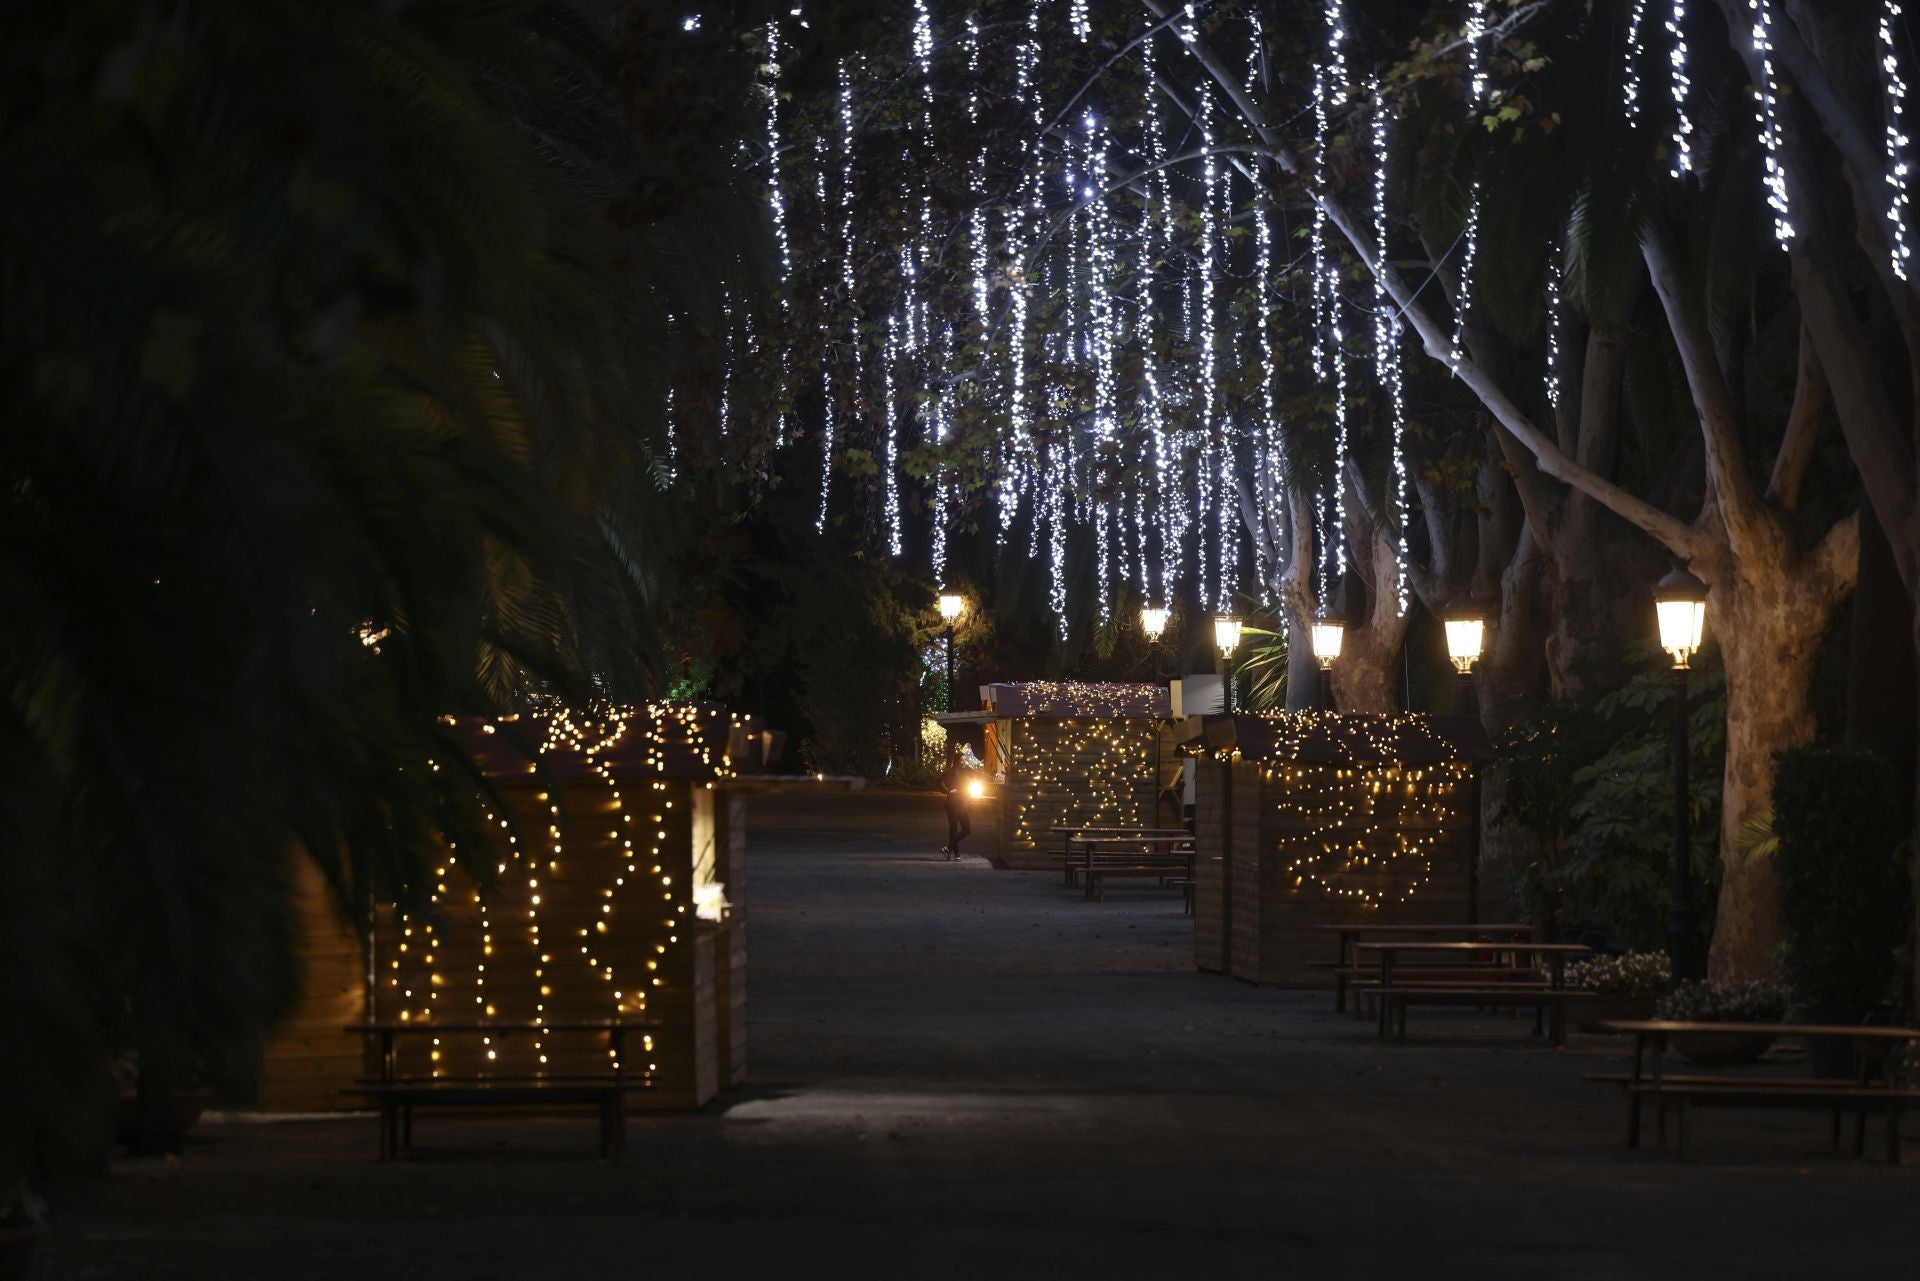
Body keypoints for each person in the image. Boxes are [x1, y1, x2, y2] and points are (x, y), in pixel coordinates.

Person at [941, 746, 971, 860]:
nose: (964, 762)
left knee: (966, 829)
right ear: (957, 761)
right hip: (952, 804)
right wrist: (947, 791)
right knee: (953, 828)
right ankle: (955, 854)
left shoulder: (967, 770)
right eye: (961, 760)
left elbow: (979, 774)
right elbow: (938, 781)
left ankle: (948, 849)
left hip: (961, 803)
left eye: (965, 759)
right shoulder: (951, 771)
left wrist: (996, 778)